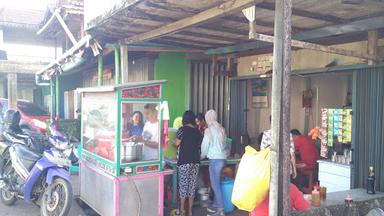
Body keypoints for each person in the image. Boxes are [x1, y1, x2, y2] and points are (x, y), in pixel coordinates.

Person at [175, 111, 202, 216]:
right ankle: (190, 211)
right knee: (191, 186)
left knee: (183, 186)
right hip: (195, 161)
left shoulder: (181, 130)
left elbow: (177, 143)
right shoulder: (197, 132)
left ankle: (182, 211)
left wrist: (173, 142)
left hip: (184, 161)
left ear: (184, 119)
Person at [201, 110, 227, 216]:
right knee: (218, 184)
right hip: (223, 159)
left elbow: (204, 147)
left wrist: (200, 156)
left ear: (208, 119)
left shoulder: (209, 131)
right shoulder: (222, 129)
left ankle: (220, 210)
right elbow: (225, 145)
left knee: (215, 185)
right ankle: (216, 205)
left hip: (215, 161)